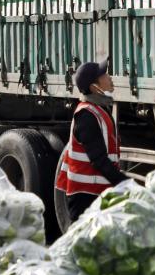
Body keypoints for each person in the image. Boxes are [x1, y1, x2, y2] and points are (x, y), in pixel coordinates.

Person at [54, 60, 126, 222]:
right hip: (85, 197)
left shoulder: (99, 110)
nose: (110, 77)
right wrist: (125, 183)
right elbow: (98, 160)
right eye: (104, 75)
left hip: (96, 193)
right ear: (95, 87)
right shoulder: (87, 116)